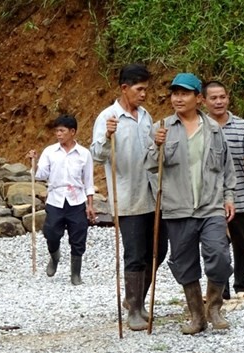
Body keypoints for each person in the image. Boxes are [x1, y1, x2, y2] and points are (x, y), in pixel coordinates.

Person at [145, 73, 236, 334]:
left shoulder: (214, 129)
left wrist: (229, 198)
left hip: (210, 207)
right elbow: (150, 166)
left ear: (198, 98)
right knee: (184, 263)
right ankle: (197, 316)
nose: (178, 98)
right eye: (175, 93)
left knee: (219, 255)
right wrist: (156, 145)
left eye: (184, 93)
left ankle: (215, 307)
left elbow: (226, 168)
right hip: (177, 208)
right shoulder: (161, 127)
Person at [90, 63, 169, 331]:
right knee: (135, 254)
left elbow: (150, 156)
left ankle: (137, 298)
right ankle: (134, 308)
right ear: (124, 88)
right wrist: (106, 135)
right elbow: (96, 155)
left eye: (146, 89)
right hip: (127, 196)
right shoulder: (107, 117)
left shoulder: (145, 116)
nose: (144, 94)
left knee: (158, 250)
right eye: (140, 89)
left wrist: (157, 144)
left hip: (151, 193)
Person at [202, 81, 244, 300]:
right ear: (203, 101)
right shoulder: (199, 127)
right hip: (210, 197)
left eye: (222, 97)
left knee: (243, 243)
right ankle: (221, 288)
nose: (219, 102)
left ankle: (241, 284)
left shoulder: (243, 126)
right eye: (213, 98)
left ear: (228, 98)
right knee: (217, 244)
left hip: (241, 195)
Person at [27, 114, 96, 286]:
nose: (58, 134)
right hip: (56, 199)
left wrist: (90, 204)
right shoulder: (50, 152)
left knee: (79, 235)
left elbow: (88, 181)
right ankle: (54, 256)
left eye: (62, 131)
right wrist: (33, 162)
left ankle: (75, 273)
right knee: (50, 232)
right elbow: (41, 175)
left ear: (72, 132)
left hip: (76, 200)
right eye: (57, 131)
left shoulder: (84, 154)